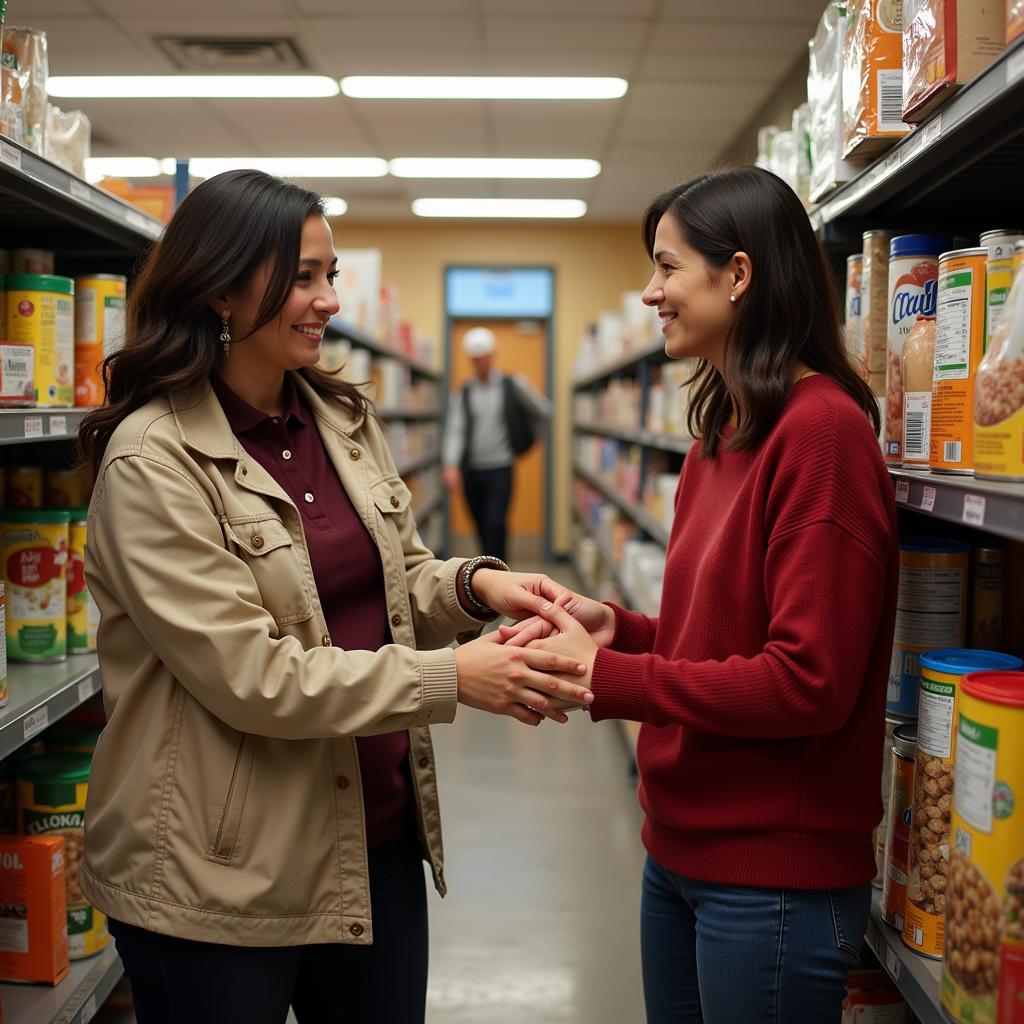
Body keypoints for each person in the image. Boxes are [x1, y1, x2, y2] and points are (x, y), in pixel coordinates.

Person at [75, 169, 593, 1024]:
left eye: (330, 275)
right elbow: (254, 677)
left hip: (369, 835)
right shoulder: (153, 461)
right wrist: (451, 678)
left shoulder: (341, 418)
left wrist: (476, 585)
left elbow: (398, 575)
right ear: (221, 290)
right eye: (302, 277)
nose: (326, 300)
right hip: (220, 871)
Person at [503, 167, 898, 1023]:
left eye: (667, 267)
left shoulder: (822, 432)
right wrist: (626, 631)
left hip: (770, 880)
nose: (651, 294)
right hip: (677, 849)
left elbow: (807, 680)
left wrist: (607, 680)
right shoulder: (727, 427)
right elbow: (722, 634)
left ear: (739, 274)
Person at [442, 326, 552, 561]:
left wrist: (534, 439)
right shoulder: (462, 393)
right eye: (475, 360)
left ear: (492, 356)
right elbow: (455, 430)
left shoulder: (513, 384)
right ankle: (490, 566)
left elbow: (544, 411)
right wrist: (451, 465)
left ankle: (499, 571)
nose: (480, 363)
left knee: (495, 522)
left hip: (501, 468)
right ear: (470, 360)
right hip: (471, 471)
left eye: (483, 358)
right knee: (480, 524)